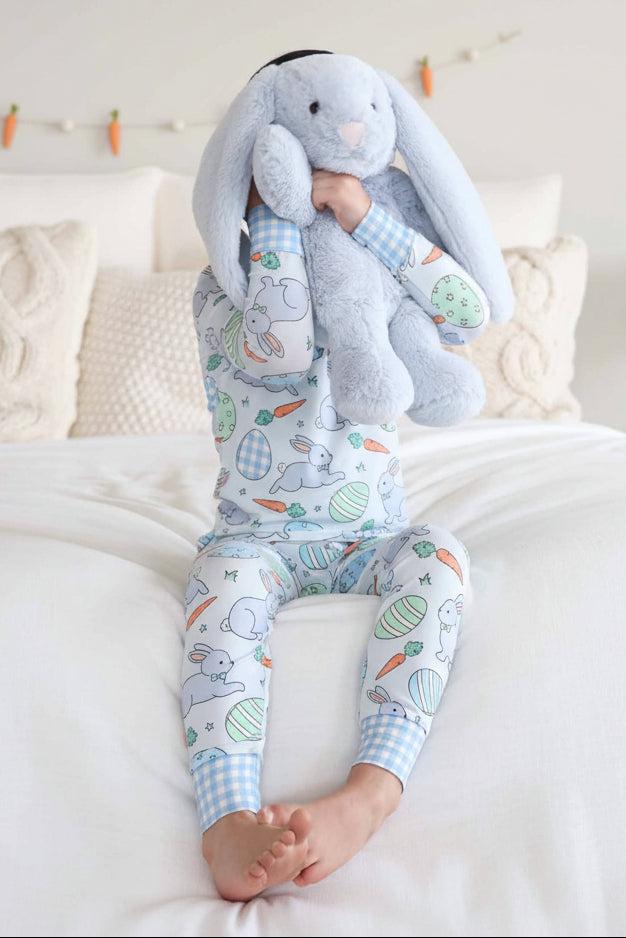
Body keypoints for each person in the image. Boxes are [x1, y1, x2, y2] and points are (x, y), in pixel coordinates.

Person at [183, 57, 489, 902]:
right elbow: (277, 346)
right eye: (274, 172)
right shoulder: (223, 293)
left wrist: (367, 223)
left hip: (370, 534)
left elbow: (468, 310)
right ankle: (227, 820)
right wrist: (280, 219)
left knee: (440, 556)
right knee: (219, 591)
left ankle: (371, 790)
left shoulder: (382, 276)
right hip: (260, 536)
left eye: (325, 174)